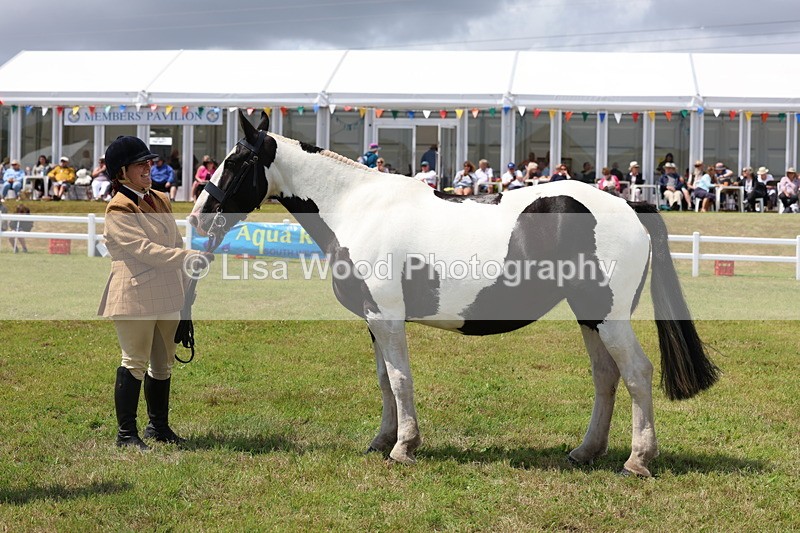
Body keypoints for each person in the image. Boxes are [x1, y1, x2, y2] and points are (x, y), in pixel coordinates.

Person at [98, 135, 213, 451]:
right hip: (133, 293)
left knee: (162, 364)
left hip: (167, 291)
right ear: (122, 172)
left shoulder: (160, 199)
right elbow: (143, 249)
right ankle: (126, 434)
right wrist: (185, 257)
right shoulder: (118, 208)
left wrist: (191, 265)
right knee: (134, 360)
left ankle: (158, 427)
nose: (148, 168)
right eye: (140, 164)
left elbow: (173, 242)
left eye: (148, 162)